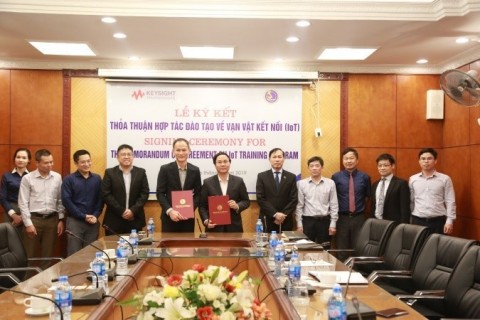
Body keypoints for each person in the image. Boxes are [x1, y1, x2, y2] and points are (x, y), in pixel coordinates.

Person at [18, 149, 65, 264]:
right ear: (37, 163)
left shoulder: (57, 177)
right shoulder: (27, 178)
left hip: (51, 220)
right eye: (46, 163)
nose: (50, 165)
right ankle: (27, 281)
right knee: (30, 256)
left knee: (47, 256)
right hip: (34, 220)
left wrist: (61, 219)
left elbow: (60, 200)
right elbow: (22, 202)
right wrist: (28, 224)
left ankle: (44, 282)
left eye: (51, 162)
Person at [61, 150, 103, 256]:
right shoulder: (69, 179)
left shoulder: (97, 179)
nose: (87, 164)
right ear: (76, 163)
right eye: (83, 162)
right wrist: (83, 216)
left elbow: (100, 199)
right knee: (74, 254)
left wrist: (95, 215)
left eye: (89, 161)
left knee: (91, 254)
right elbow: (66, 201)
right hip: (75, 222)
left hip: (93, 222)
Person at [332, 147, 371, 261]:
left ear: (357, 160)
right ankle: (342, 274)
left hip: (359, 218)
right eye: (346, 158)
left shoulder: (365, 177)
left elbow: (368, 197)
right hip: (342, 218)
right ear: (343, 160)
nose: (349, 161)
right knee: (341, 248)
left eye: (351, 158)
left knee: (359, 247)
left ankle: (359, 274)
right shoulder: (336, 177)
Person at [156, 138, 202, 232]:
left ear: (189, 151)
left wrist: (189, 209)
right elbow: (160, 193)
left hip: (188, 219)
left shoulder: (195, 170)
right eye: (178, 150)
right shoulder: (165, 169)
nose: (181, 153)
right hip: (169, 218)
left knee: (187, 246)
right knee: (169, 246)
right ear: (173, 151)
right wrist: (170, 211)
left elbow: (198, 194)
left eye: (184, 150)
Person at [102, 144, 149, 235]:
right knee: (113, 248)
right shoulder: (110, 173)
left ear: (133, 156)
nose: (126, 157)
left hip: (135, 219)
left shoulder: (141, 172)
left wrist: (132, 211)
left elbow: (144, 193)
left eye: (129, 154)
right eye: (123, 154)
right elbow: (106, 194)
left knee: (135, 248)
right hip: (114, 220)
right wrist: (122, 211)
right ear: (117, 157)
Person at [199, 152, 250, 232]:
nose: (223, 164)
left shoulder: (239, 181)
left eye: (225, 161)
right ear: (215, 164)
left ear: (229, 163)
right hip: (214, 227)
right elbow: (202, 206)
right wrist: (206, 220)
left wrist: (237, 206)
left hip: (234, 228)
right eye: (219, 162)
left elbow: (246, 201)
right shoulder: (207, 183)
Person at [409, 147, 456, 235]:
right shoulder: (413, 179)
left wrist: (450, 221)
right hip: (418, 221)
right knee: (418, 247)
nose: (426, 161)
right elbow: (411, 201)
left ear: (435, 161)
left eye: (429, 158)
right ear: (419, 161)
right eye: (423, 159)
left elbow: (450, 201)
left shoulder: (445, 179)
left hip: (438, 221)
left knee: (438, 247)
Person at [296, 156, 338, 245]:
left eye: (317, 165)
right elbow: (299, 206)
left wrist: (333, 224)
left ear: (322, 167)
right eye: (311, 166)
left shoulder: (330, 183)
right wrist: (299, 224)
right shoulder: (301, 184)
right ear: (308, 168)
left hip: (324, 222)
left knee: (325, 249)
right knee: (306, 249)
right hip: (307, 222)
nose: (314, 168)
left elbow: (334, 204)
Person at [256, 147, 298, 233]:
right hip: (267, 218)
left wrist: (282, 216)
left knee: (285, 245)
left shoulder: (291, 177)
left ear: (284, 159)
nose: (277, 159)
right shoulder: (262, 176)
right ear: (269, 159)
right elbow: (260, 198)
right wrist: (275, 214)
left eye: (279, 157)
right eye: (274, 157)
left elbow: (294, 199)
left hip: (285, 219)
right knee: (265, 245)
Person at [371, 153, 410, 224]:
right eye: (380, 165)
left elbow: (405, 209)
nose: (382, 168)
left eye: (386, 165)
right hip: (376, 223)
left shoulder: (401, 184)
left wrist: (403, 226)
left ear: (393, 166)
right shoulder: (375, 185)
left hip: (394, 224)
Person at [0, 148, 31, 228]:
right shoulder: (7, 176)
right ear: (14, 159)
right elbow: (2, 198)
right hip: (10, 210)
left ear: (29, 160)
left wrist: (23, 216)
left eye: (24, 158)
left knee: (27, 239)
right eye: (18, 157)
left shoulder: (32, 176)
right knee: (9, 238)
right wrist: (13, 215)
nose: (20, 160)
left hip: (28, 211)